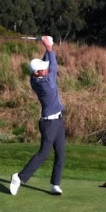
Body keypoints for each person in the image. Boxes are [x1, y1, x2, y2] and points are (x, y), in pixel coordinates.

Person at [10, 35, 66, 196]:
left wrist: (46, 48)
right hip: (49, 124)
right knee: (43, 154)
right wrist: (49, 47)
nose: (46, 69)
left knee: (61, 154)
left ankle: (55, 184)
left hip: (58, 122)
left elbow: (45, 64)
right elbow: (54, 66)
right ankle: (19, 177)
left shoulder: (35, 78)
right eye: (44, 68)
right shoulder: (46, 82)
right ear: (39, 72)